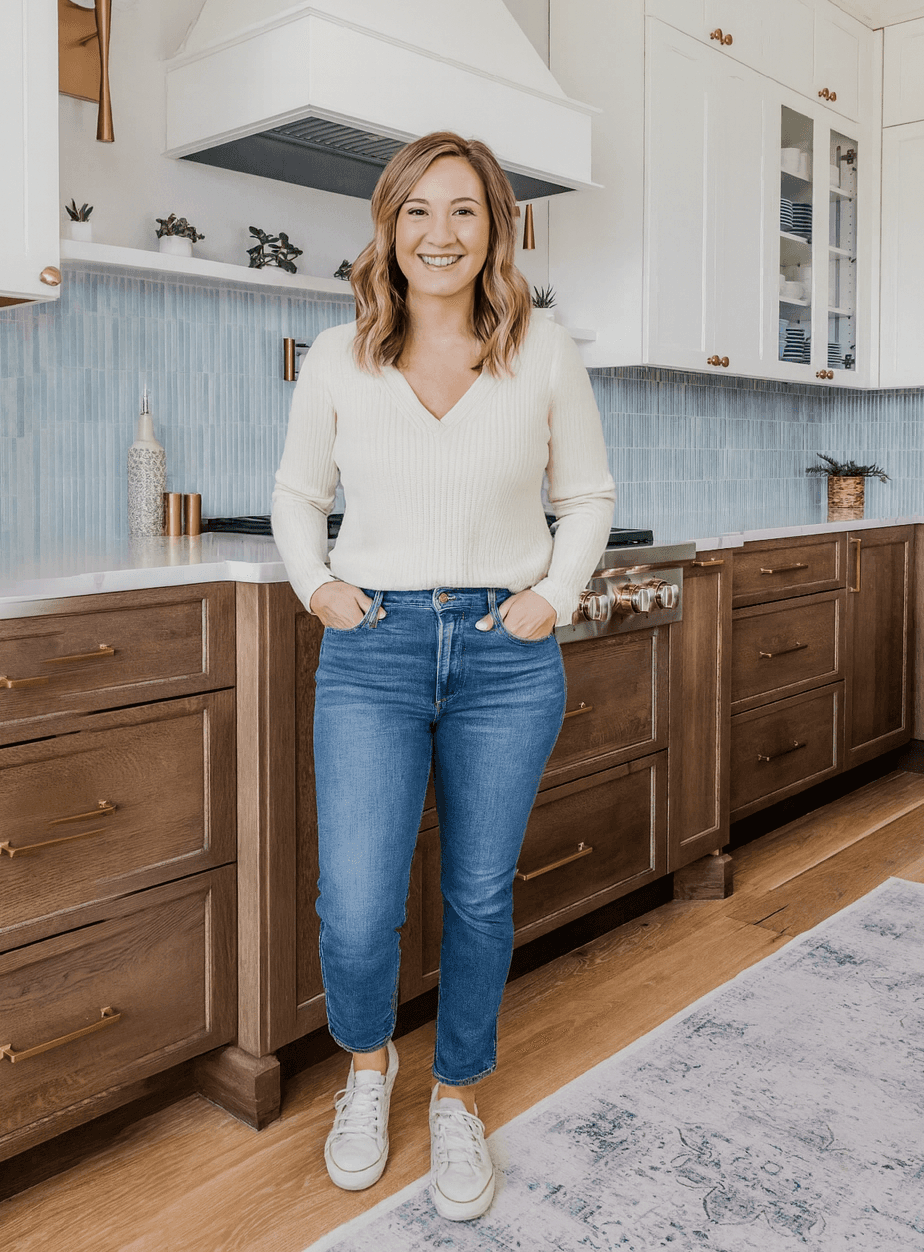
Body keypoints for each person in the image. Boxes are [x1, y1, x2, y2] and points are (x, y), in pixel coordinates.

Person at [271, 131, 615, 1222]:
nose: (440, 233)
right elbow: (293, 493)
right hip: (370, 651)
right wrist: (315, 585)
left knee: (475, 897)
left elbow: (590, 496)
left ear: (496, 228)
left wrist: (550, 599)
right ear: (388, 226)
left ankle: (456, 1092)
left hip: (506, 661)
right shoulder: (338, 356)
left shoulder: (543, 348)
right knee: (359, 907)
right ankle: (367, 1075)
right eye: (418, 210)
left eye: (463, 210)